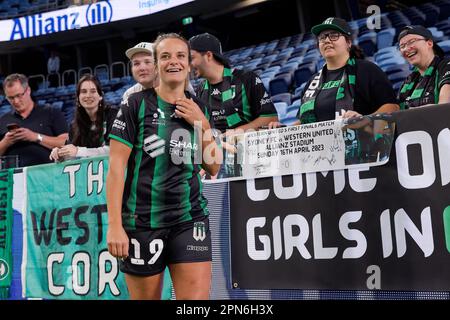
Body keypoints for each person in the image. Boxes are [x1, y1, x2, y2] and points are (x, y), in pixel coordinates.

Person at [106, 33, 222, 300]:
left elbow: (213, 166)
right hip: (142, 223)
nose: (174, 62)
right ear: (157, 64)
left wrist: (201, 123)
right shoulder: (134, 105)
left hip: (190, 220)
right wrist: (114, 225)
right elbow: (115, 169)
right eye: (166, 56)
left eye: (181, 56)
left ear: (189, 64)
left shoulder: (199, 107)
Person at [270, 17, 398, 128]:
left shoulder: (367, 70)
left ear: (348, 42)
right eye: (322, 37)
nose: (326, 40)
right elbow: (305, 122)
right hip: (322, 153)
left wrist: (365, 120)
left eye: (334, 35)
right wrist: (284, 129)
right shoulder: (312, 82)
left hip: (361, 148)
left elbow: (392, 107)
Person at [189, 32, 278, 134]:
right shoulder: (200, 89)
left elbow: (271, 119)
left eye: (191, 58)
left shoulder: (247, 79)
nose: (188, 64)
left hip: (249, 147)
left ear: (208, 55)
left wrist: (233, 134)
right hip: (216, 148)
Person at [0, 73, 68, 167]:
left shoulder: (50, 112)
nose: (15, 101)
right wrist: (6, 142)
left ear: (28, 90)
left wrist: (36, 137)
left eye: (19, 95)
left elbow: (65, 143)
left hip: (48, 174)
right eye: (10, 98)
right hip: (15, 178)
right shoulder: (3, 120)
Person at [49, 74, 118, 161]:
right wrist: (61, 154)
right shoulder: (74, 126)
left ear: (100, 96)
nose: (88, 95)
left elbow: (114, 150)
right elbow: (73, 154)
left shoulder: (113, 115)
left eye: (93, 91)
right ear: (78, 98)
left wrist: (79, 151)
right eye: (84, 91)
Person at [397, 25, 450, 109]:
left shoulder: (446, 66)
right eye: (402, 46)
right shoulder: (408, 80)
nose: (406, 49)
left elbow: (444, 109)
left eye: (411, 41)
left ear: (429, 43)